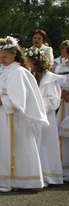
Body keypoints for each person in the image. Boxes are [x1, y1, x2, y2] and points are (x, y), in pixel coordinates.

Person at [0, 36, 48, 193]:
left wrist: (2, 100)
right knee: (0, 145)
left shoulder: (20, 72)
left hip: (14, 118)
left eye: (5, 57)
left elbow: (20, 97)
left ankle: (14, 180)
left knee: (12, 146)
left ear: (14, 54)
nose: (1, 60)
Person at [24, 47, 64, 187]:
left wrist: (37, 106)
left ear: (36, 62)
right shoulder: (30, 75)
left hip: (46, 118)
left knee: (45, 146)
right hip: (33, 117)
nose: (27, 65)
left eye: (29, 62)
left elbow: (53, 100)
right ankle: (34, 174)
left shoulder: (49, 78)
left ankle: (47, 175)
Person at [53, 40, 69, 182]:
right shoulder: (57, 62)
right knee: (60, 132)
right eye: (62, 47)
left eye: (67, 48)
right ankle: (63, 167)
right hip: (61, 99)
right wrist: (61, 92)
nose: (64, 49)